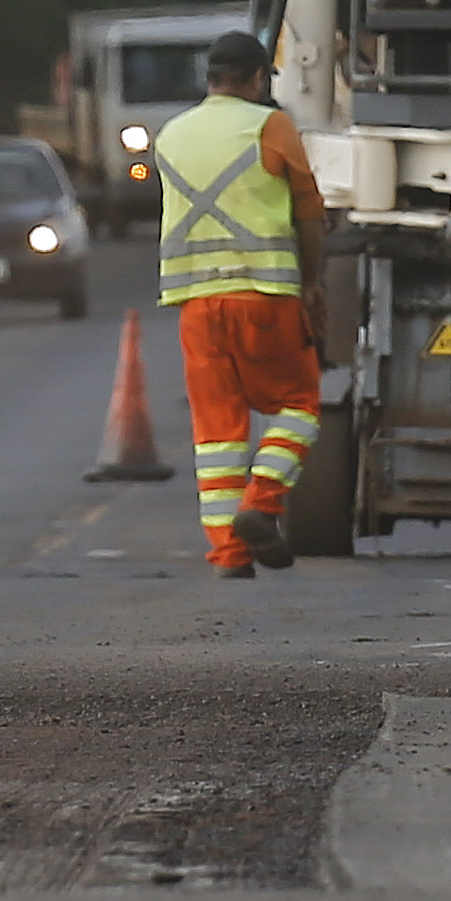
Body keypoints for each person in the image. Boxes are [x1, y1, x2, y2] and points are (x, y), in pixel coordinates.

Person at [145, 30, 331, 574]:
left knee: (217, 436)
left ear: (210, 79)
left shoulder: (171, 136)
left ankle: (228, 553)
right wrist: (312, 282)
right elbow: (310, 214)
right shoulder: (269, 126)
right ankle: (261, 503)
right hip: (264, 295)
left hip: (196, 304)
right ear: (257, 79)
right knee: (300, 405)